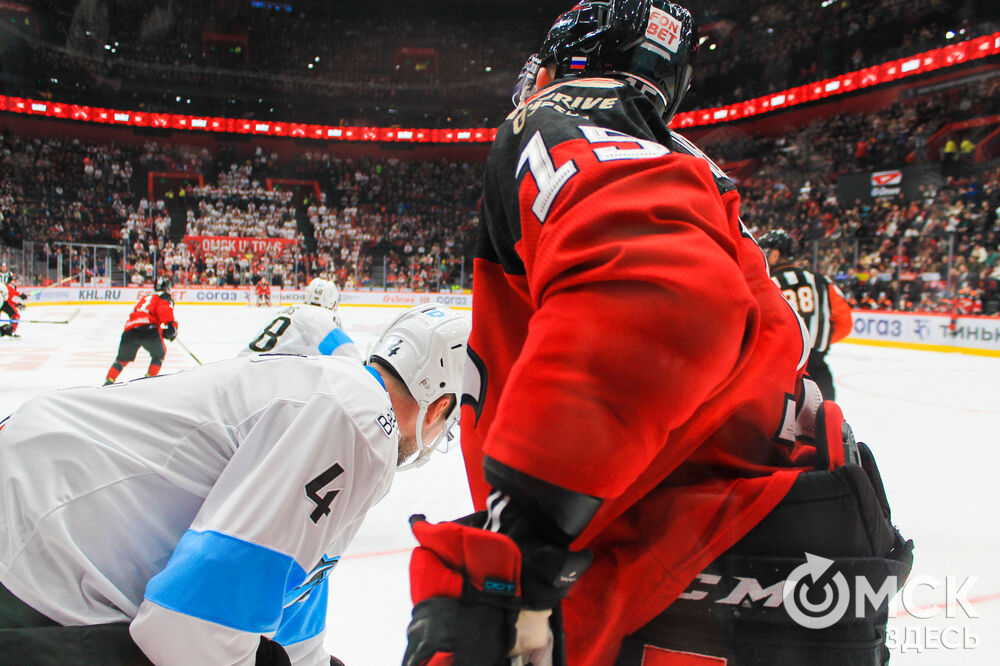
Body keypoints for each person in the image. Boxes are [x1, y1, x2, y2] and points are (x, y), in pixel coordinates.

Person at [401, 3, 911, 666]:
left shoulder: (566, 111)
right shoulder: (686, 164)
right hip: (774, 566)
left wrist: (520, 548)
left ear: (569, 63)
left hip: (691, 579)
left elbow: (664, 298)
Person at [0, 303, 471, 666]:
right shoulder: (360, 418)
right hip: (36, 540)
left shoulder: (348, 410)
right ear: (439, 405)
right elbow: (189, 630)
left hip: (37, 497)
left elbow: (295, 614)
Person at [758, 229, 854, 399]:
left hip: (780, 372)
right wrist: (817, 345)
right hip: (818, 372)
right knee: (824, 421)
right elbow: (844, 322)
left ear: (775, 255)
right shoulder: (821, 281)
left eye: (765, 253)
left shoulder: (766, 283)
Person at [240, 278, 359, 360]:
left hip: (240, 364)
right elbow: (347, 355)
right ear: (332, 302)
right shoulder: (322, 316)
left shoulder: (286, 311)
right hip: (259, 377)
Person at [104, 278, 179, 384]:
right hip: (149, 330)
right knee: (159, 355)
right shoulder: (163, 297)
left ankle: (108, 381)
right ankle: (148, 381)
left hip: (130, 330)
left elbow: (140, 317)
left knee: (121, 360)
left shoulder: (145, 298)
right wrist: (172, 327)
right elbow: (164, 310)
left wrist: (162, 332)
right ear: (166, 287)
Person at [0, 273, 27, 338]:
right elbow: (10, 298)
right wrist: (18, 302)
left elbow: (10, 298)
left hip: (4, 303)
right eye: (15, 280)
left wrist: (17, 304)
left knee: (15, 316)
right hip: (4, 303)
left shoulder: (9, 286)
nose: (17, 282)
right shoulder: (8, 287)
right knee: (15, 316)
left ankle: (9, 330)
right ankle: (10, 330)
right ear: (12, 281)